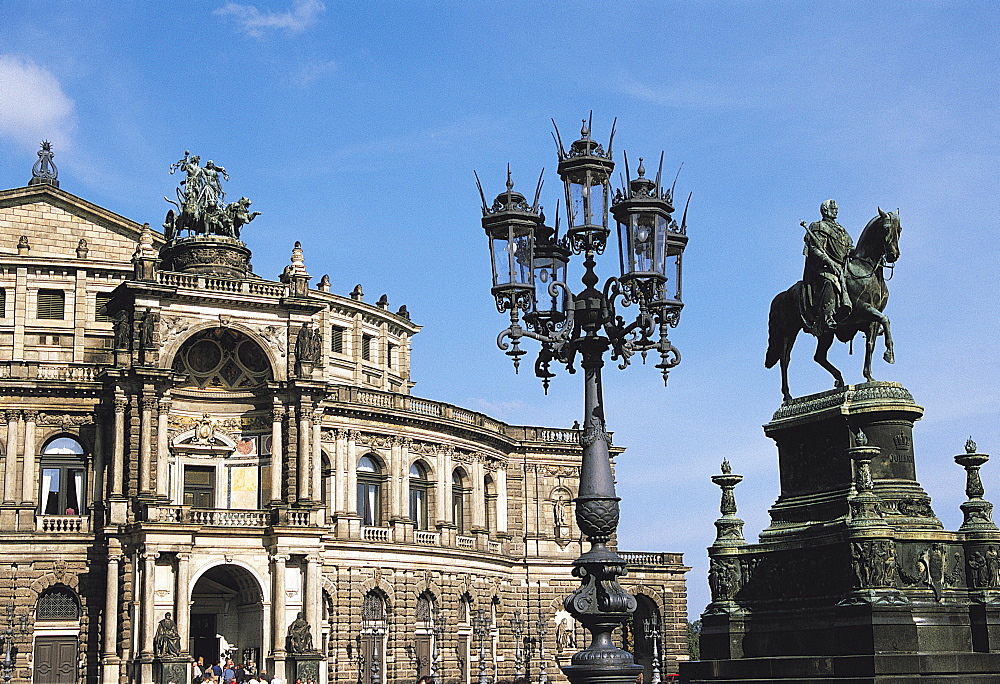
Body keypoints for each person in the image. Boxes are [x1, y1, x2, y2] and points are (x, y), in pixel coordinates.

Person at [801, 199, 853, 333]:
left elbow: (849, 248)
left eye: (836, 208)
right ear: (825, 210)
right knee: (830, 281)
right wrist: (830, 262)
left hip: (842, 268)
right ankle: (828, 315)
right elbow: (814, 250)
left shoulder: (842, 231)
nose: (836, 210)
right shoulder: (818, 226)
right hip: (823, 268)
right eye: (833, 208)